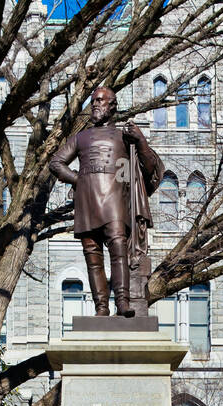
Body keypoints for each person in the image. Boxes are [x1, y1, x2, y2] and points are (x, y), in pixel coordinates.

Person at [49, 86, 164, 317]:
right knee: (93, 256)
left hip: (115, 202)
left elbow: (151, 168)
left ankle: (122, 301)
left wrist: (140, 140)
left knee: (118, 250)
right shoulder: (81, 137)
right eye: (93, 101)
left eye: (100, 101)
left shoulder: (125, 136)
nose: (95, 105)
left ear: (113, 106)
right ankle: (101, 307)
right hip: (86, 202)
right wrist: (79, 179)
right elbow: (56, 162)